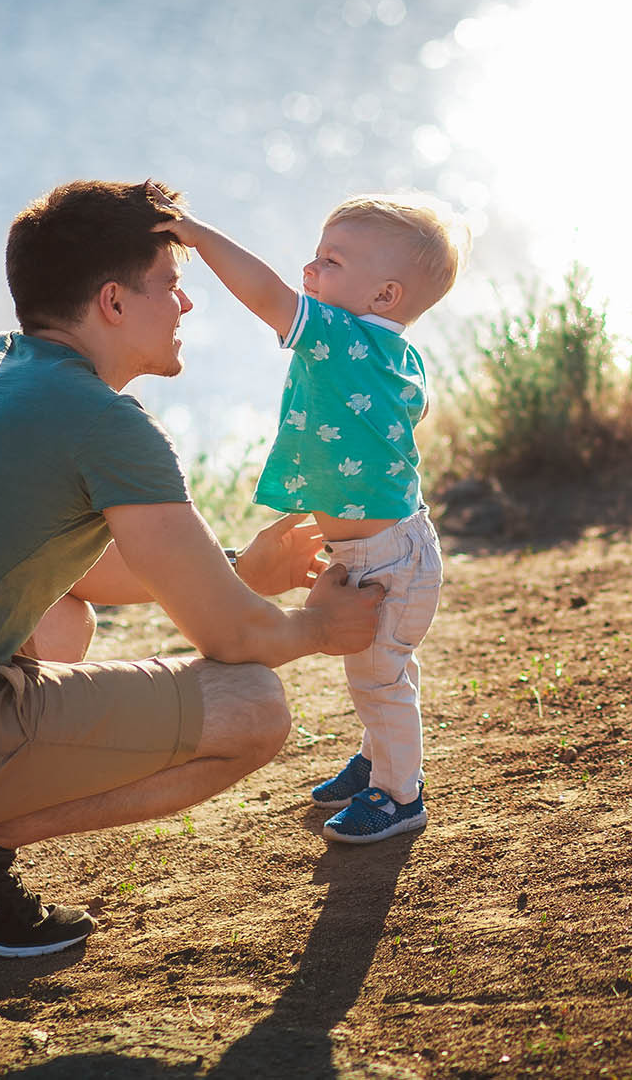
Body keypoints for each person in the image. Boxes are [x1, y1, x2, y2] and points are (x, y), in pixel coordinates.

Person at [0, 179, 383, 959]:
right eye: (171, 285)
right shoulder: (102, 422)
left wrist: (242, 568)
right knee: (254, 704)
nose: (187, 306)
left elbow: (91, 573)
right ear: (113, 303)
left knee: (64, 619)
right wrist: (320, 627)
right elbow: (230, 635)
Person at [154, 190, 467, 844]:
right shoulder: (395, 352)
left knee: (379, 675)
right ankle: (380, 756)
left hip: (388, 555)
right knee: (380, 669)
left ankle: (398, 794)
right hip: (389, 547)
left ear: (384, 295)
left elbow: (265, 294)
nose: (309, 270)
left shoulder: (338, 338)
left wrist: (199, 235)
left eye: (330, 260)